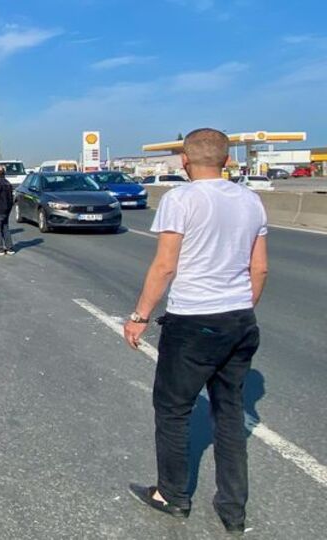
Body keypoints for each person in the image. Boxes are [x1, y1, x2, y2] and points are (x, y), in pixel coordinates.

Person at [123, 128, 269, 536]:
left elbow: (165, 266)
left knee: (173, 409)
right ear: (227, 160)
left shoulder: (180, 198)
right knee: (230, 413)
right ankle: (233, 510)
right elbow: (259, 268)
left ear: (185, 160)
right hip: (239, 318)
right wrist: (239, 308)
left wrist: (139, 316)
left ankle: (172, 495)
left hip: (192, 322)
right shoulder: (251, 200)